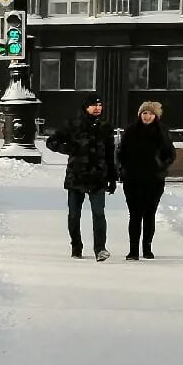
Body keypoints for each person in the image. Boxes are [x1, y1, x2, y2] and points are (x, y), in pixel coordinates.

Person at [45, 93, 117, 261]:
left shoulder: (105, 127)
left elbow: (110, 154)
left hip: (98, 177)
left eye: (100, 105)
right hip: (76, 177)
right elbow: (51, 142)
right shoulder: (73, 125)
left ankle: (100, 249)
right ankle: (76, 246)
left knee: (99, 214)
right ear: (86, 107)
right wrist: (68, 149)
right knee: (74, 214)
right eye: (94, 105)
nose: (98, 108)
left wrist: (113, 178)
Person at [116, 100, 177, 260]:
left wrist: (160, 166)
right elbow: (121, 152)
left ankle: (147, 248)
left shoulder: (162, 132)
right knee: (135, 214)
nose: (147, 116)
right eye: (144, 113)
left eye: (150, 113)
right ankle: (133, 250)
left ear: (155, 116)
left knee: (149, 214)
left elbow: (170, 154)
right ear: (140, 114)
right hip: (133, 179)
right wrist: (124, 168)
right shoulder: (130, 131)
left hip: (154, 179)